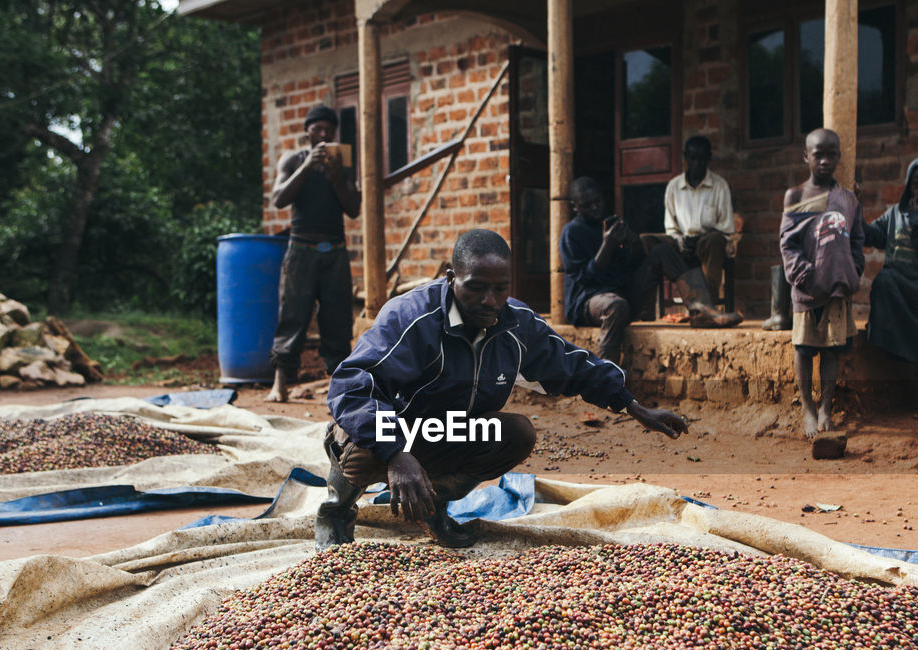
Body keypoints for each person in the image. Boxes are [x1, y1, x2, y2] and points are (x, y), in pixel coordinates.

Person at [319, 229, 691, 549]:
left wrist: (632, 405)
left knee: (515, 433)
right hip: (393, 429)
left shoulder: (516, 324)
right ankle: (336, 513)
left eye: (501, 288)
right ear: (452, 278)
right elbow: (350, 385)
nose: (490, 301)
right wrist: (395, 452)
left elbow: (572, 364)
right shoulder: (412, 317)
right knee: (360, 448)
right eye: (476, 288)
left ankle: (433, 509)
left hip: (444, 431)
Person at [559, 177, 739, 365]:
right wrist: (607, 246)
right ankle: (606, 377)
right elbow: (585, 278)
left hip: (622, 295)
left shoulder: (610, 226)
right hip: (589, 302)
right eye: (587, 205)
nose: (595, 208)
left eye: (598, 202)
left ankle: (701, 311)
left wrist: (632, 244)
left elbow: (631, 265)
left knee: (662, 251)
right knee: (616, 306)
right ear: (575, 207)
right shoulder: (571, 233)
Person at [266, 104, 361, 403]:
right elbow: (279, 199)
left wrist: (335, 178)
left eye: (328, 130)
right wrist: (306, 168)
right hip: (300, 250)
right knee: (292, 316)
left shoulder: (342, 163)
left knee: (337, 320)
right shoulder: (292, 159)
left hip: (334, 251)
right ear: (308, 131)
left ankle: (338, 390)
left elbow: (354, 209)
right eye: (317, 128)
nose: (323, 134)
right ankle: (279, 385)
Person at [779, 128, 865, 439]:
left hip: (838, 288)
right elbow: (788, 244)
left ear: (839, 157)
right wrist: (804, 275)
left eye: (832, 154)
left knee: (831, 350)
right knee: (804, 349)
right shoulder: (797, 196)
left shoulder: (847, 198)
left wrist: (852, 270)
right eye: (819, 154)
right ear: (807, 157)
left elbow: (857, 238)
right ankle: (807, 408)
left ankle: (827, 407)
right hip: (807, 288)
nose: (825, 160)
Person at [863, 156, 918, 419]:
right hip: (898, 287)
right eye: (917, 185)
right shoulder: (895, 213)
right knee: (883, 281)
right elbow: (873, 236)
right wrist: (854, 207)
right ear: (909, 186)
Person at [663, 135, 738, 303]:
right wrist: (679, 241)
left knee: (715, 240)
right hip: (681, 242)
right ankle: (646, 309)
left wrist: (703, 239)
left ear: (709, 158)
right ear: (686, 158)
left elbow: (726, 229)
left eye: (702, 159)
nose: (697, 163)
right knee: (650, 242)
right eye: (693, 158)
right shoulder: (673, 187)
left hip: (707, 243)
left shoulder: (719, 186)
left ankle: (706, 306)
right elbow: (670, 226)